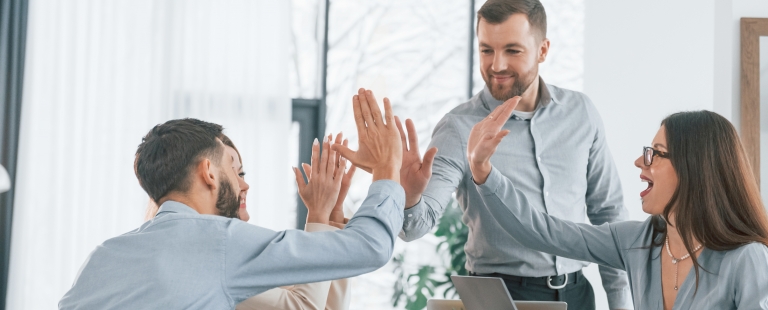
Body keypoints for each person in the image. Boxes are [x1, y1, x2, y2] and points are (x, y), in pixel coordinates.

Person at [59, 88, 404, 309]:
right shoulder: (219, 242)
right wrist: (387, 168)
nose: (244, 186)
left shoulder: (102, 256)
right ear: (209, 172)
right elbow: (369, 248)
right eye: (235, 169)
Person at [395, 0, 631, 308]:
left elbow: (609, 217)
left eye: (512, 50)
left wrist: (621, 304)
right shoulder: (459, 127)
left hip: (578, 295)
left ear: (543, 51)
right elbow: (414, 227)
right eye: (486, 50)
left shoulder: (580, 113)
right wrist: (409, 197)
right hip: (500, 297)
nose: (496, 65)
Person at [469, 104, 768, 309]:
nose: (640, 162)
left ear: (694, 167)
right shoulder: (637, 242)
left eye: (656, 154)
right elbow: (544, 233)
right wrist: (481, 169)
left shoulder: (747, 259)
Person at [142, 133, 357, 310]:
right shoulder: (206, 260)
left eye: (242, 173)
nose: (244, 185)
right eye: (231, 172)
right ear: (208, 176)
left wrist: (332, 214)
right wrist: (319, 215)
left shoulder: (247, 255)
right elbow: (304, 307)